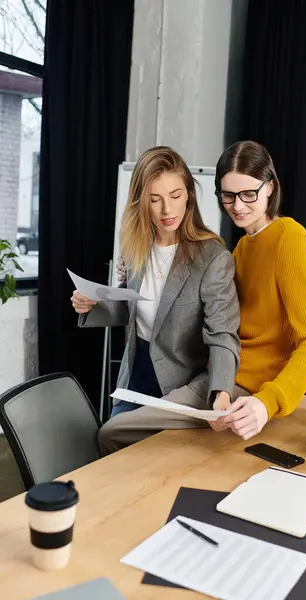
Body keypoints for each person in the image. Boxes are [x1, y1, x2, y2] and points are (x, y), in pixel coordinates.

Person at [108, 140, 306, 454]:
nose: (238, 206)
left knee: (114, 431)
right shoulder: (242, 247)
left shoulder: (289, 239)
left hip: (244, 385)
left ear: (270, 188)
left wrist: (267, 402)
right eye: (228, 195)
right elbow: (215, 315)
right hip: (214, 374)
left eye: (249, 193)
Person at [71, 146, 240, 446]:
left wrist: (221, 395)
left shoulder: (213, 258)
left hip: (180, 385)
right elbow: (132, 309)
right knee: (112, 450)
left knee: (137, 453)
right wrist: (93, 304)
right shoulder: (136, 246)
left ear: (189, 193)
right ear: (141, 202)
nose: (167, 210)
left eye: (175, 196)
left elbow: (223, 335)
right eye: (155, 199)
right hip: (135, 376)